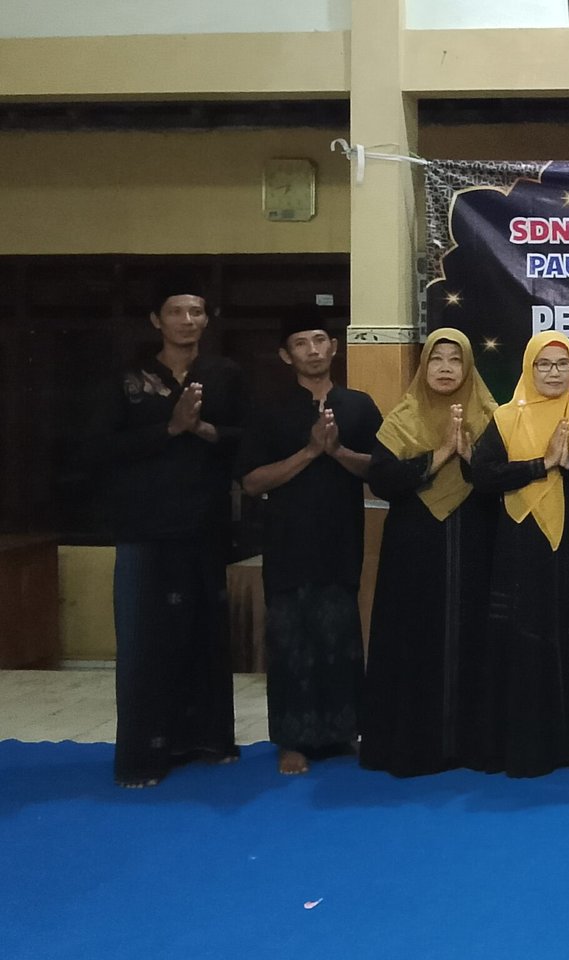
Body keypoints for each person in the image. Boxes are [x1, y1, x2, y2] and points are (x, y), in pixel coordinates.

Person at [91, 271, 244, 788]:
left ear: (207, 319)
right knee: (145, 643)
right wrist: (171, 429)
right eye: (176, 311)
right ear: (156, 320)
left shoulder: (223, 373)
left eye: (196, 311)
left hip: (204, 524)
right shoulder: (128, 378)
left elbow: (246, 439)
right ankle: (143, 757)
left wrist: (205, 430)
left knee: (205, 637)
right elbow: (99, 449)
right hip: (145, 527)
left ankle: (209, 742)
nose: (187, 320)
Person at [238, 308, 381, 776]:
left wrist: (337, 451)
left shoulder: (358, 406)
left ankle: (344, 731)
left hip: (340, 541)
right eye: (301, 343)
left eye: (320, 340)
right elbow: (251, 480)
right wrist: (309, 452)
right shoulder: (269, 409)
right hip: (288, 544)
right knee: (291, 641)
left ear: (334, 347)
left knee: (341, 637)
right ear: (286, 355)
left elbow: (382, 472)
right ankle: (292, 740)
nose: (313, 350)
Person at [360, 328, 498, 778]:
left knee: (474, 632)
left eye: (454, 360)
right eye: (436, 359)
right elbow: (382, 480)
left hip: (476, 541)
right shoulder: (402, 419)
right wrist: (438, 456)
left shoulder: (492, 419)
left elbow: (501, 481)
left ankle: (471, 744)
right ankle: (414, 745)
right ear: (423, 366)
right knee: (414, 634)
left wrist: (471, 456)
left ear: (468, 367)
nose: (444, 368)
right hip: (414, 546)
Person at [469, 330, 569, 778]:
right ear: (529, 368)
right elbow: (482, 476)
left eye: (563, 364)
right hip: (521, 544)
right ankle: (526, 746)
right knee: (524, 639)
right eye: (544, 364)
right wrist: (541, 465)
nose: (554, 373)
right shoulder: (505, 419)